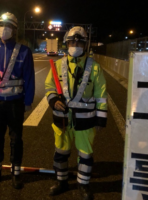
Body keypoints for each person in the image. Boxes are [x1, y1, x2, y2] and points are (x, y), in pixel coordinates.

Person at [45, 26, 107, 200]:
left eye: (79, 42)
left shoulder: (94, 67)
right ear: (67, 43)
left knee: (85, 155)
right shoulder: (57, 65)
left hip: (85, 120)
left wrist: (101, 118)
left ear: (85, 44)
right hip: (62, 119)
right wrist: (52, 100)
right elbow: (50, 86)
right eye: (72, 42)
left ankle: (83, 184)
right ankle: (61, 181)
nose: (75, 45)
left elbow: (101, 93)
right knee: (60, 152)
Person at [0, 12, 35, 189]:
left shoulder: (24, 51)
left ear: (14, 30)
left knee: (16, 139)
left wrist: (28, 102)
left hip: (15, 103)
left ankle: (16, 174)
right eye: (2, 25)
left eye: (8, 26)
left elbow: (29, 78)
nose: (4, 29)